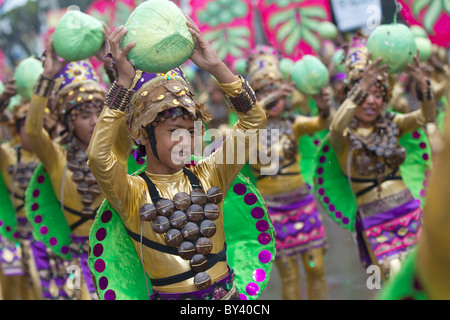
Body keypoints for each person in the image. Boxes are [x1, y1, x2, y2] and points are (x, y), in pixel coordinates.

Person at [86, 16, 269, 300]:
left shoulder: (211, 174)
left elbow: (254, 122)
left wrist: (216, 68)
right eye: (174, 131)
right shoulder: (133, 194)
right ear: (143, 136)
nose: (185, 141)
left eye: (190, 131)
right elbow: (98, 158)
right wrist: (122, 84)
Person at [320, 38, 436, 282]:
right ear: (352, 96)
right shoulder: (343, 138)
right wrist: (363, 85)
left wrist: (422, 83)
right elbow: (336, 125)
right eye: (365, 95)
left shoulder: (394, 123)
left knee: (424, 277)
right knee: (392, 278)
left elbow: (427, 116)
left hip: (410, 211)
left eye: (379, 94)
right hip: (374, 220)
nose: (372, 101)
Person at [24, 39, 132, 299]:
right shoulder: (56, 158)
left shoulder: (117, 151)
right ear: (70, 123)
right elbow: (32, 130)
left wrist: (113, 70)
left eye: (99, 114)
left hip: (119, 255)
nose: (95, 122)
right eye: (85, 116)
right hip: (75, 261)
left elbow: (124, 115)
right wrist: (47, 77)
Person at [246, 45, 330, 300]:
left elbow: (322, 124)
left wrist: (323, 105)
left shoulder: (293, 124)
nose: (274, 99)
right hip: (273, 212)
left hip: (302, 205)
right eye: (263, 94)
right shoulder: (246, 132)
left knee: (316, 269)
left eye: (277, 94)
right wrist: (271, 97)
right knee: (289, 274)